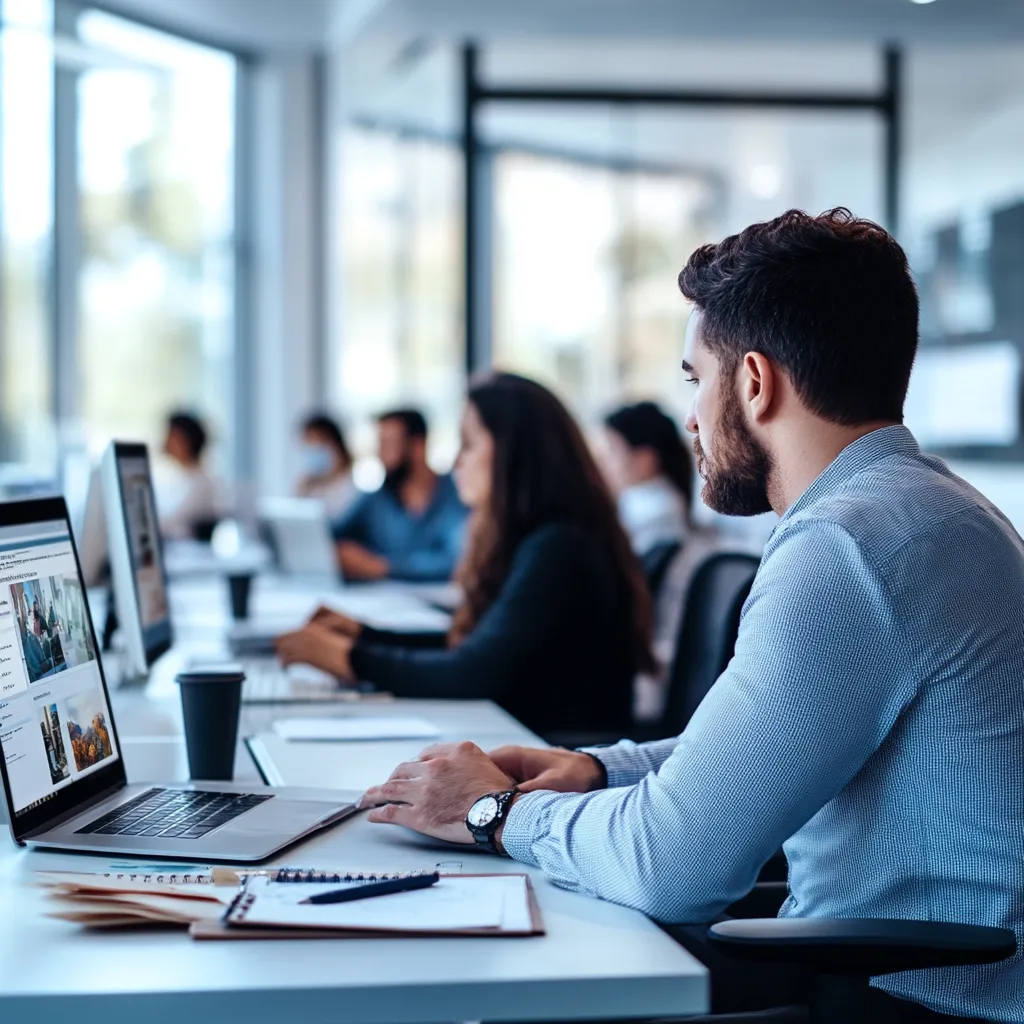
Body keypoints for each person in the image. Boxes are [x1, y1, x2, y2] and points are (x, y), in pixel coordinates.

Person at [360, 210, 1024, 1022]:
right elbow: (775, 737)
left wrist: (490, 812)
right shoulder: (934, 511)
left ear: (753, 381)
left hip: (905, 996)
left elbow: (670, 867)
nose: (691, 420)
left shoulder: (844, 548)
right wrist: (601, 769)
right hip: (887, 964)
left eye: (693, 379)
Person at [277, 373, 653, 737]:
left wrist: (350, 657)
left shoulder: (559, 548)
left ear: (511, 454)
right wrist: (363, 635)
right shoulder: (541, 538)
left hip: (550, 754)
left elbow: (472, 670)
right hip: (519, 735)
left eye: (469, 444)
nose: (457, 461)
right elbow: (476, 646)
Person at [329, 408, 467, 582]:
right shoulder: (376, 499)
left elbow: (458, 561)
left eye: (388, 445)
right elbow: (333, 536)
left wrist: (384, 567)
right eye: (379, 445)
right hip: (383, 601)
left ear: (418, 446)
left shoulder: (457, 497)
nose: (380, 455)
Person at [602, 401, 693, 555]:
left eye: (612, 451)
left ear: (645, 459)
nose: (602, 461)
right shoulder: (634, 500)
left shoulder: (655, 512)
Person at [158, 410, 219, 540]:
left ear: (186, 441)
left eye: (171, 435)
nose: (165, 440)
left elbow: (169, 522)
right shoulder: (180, 478)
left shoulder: (199, 483)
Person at [295, 412, 359, 519]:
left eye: (317, 444)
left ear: (335, 446)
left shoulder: (353, 490)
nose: (312, 453)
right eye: (308, 445)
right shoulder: (308, 486)